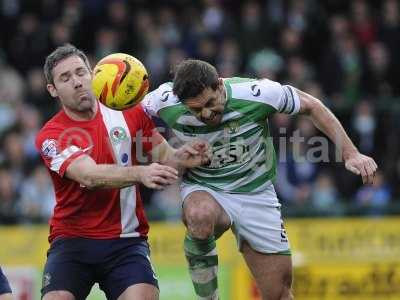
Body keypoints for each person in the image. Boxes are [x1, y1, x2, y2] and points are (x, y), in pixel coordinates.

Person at [142, 59, 378, 300]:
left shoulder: (257, 93)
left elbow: (312, 105)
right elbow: (133, 119)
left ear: (220, 85)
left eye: (210, 103)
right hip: (205, 187)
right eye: (195, 110)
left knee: (278, 294)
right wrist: (170, 157)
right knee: (199, 215)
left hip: (256, 193)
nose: (206, 114)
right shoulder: (164, 99)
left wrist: (351, 153)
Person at [36, 45, 210, 300]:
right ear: (53, 90)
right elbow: (89, 176)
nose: (76, 82)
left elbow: (167, 160)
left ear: (92, 74)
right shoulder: (51, 137)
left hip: (126, 241)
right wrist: (139, 174)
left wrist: (186, 156)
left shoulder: (129, 111)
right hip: (72, 241)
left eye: (80, 72)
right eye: (65, 78)